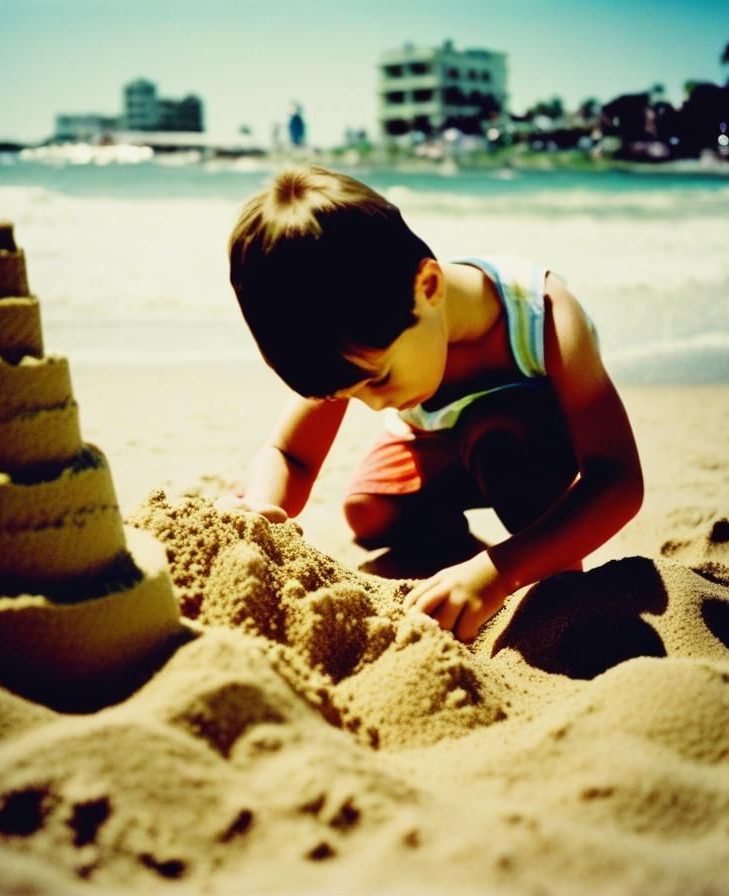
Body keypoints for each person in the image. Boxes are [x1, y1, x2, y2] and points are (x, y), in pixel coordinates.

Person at [222, 165, 643, 642]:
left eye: (378, 380)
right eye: (348, 395)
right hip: (438, 443)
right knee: (368, 510)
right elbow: (290, 454)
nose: (374, 405)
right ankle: (457, 552)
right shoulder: (353, 339)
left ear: (429, 287)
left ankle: (549, 567)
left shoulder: (543, 317)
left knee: (498, 442)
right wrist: (259, 507)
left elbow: (618, 478)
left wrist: (499, 571)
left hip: (525, 448)